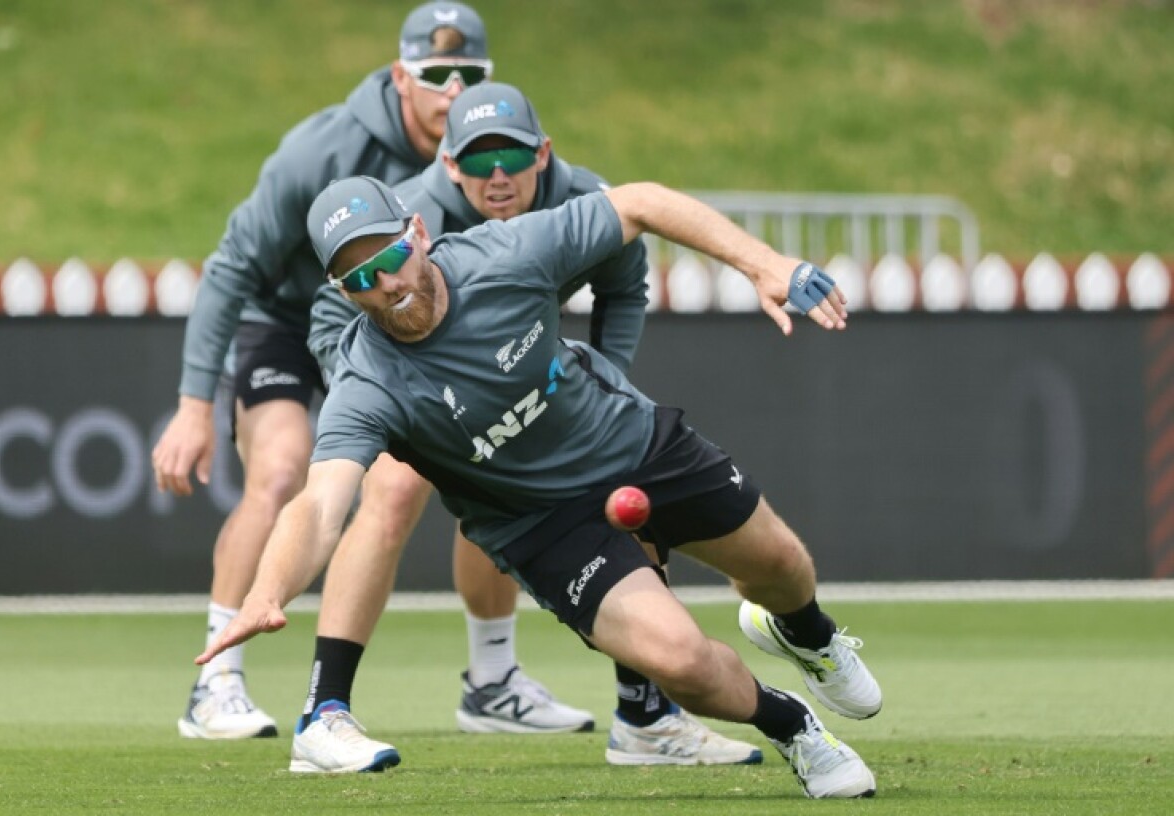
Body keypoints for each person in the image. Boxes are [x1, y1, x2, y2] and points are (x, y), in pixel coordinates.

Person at [198, 175, 883, 799]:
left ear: (419, 233)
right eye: (358, 278)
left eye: (390, 255)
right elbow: (321, 504)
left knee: (781, 566)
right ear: (342, 292)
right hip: (544, 527)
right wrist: (267, 590)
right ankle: (793, 725)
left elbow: (641, 203)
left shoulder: (506, 255)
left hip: (636, 446)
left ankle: (808, 634)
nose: (385, 283)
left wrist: (762, 264)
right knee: (682, 662)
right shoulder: (366, 380)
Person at [292, 81, 762, 773]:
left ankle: (642, 714)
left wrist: (601, 382)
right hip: (389, 364)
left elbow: (622, 285)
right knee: (391, 493)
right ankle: (330, 708)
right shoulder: (408, 222)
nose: (497, 176)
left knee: (610, 461)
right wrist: (398, 402)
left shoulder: (578, 195)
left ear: (542, 154)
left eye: (511, 157)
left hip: (523, 367)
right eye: (476, 162)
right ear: (448, 166)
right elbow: (334, 320)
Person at [151, 1, 586, 742]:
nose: (453, 89)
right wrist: (195, 405)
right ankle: (215, 683)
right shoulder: (319, 149)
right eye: (435, 74)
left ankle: (492, 681)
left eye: (469, 73)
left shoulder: (481, 159)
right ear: (400, 76)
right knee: (282, 471)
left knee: (486, 457)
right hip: (288, 324)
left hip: (398, 326)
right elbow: (231, 268)